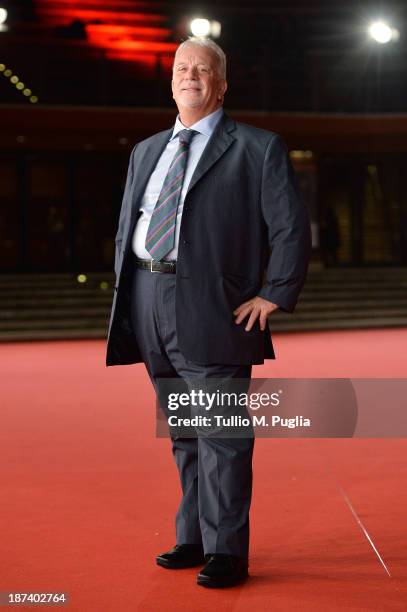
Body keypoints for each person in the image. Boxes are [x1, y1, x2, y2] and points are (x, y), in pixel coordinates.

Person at [106, 36, 311, 588]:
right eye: (181, 67)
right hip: (149, 301)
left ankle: (227, 551)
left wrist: (276, 291)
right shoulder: (146, 151)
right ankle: (194, 535)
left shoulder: (257, 147)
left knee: (220, 430)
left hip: (217, 307)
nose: (190, 75)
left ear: (221, 85)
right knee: (184, 430)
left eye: (203, 68)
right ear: (171, 80)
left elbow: (290, 227)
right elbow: (132, 227)